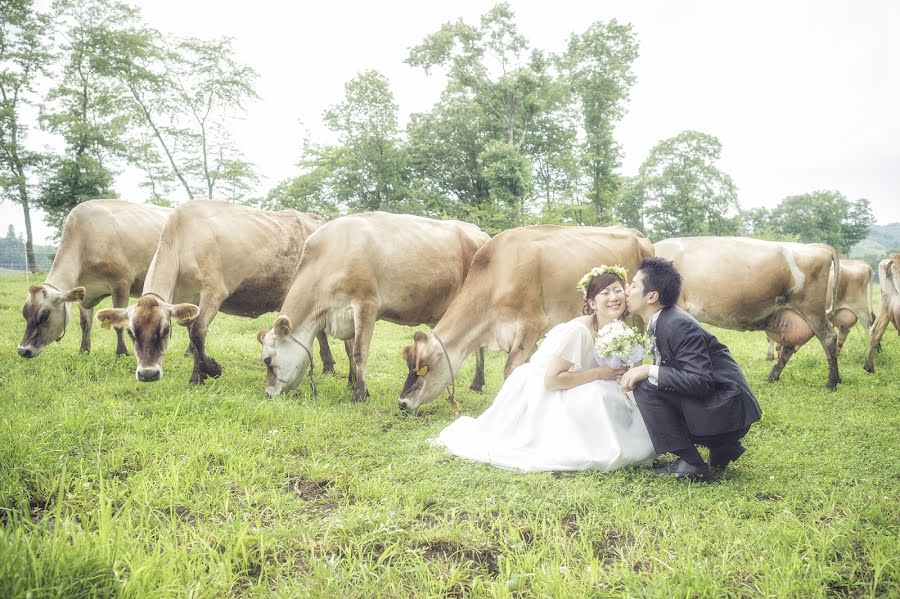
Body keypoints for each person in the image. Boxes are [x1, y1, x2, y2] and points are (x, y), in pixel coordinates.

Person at [434, 266, 657, 473]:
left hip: (580, 380)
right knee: (599, 393)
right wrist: (602, 374)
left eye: (618, 291)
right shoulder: (577, 331)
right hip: (545, 388)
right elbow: (552, 380)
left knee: (614, 394)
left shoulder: (619, 329)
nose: (614, 297)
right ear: (591, 302)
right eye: (605, 293)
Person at [620, 257, 762, 481]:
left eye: (634, 285)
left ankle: (691, 463)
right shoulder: (664, 320)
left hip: (727, 411)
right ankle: (723, 447)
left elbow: (700, 381)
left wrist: (648, 370)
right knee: (654, 382)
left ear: (652, 296)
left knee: (645, 387)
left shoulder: (677, 324)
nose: (626, 291)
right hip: (724, 406)